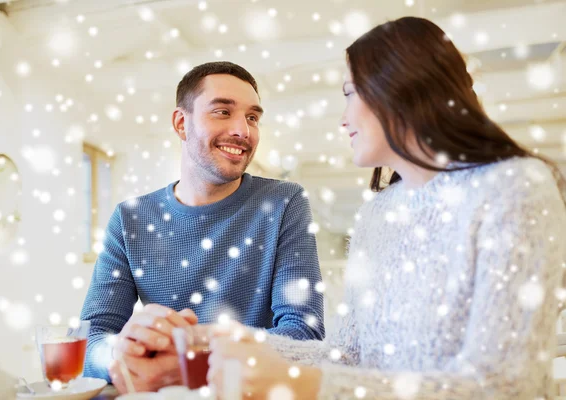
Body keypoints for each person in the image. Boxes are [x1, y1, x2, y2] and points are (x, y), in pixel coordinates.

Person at [208, 17, 566, 399]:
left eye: (350, 93)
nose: (343, 119)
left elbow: (504, 386)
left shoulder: (513, 188)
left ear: (398, 86)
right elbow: (347, 358)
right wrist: (213, 339)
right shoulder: (377, 214)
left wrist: (301, 384)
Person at [80, 61, 325, 393]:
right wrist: (120, 350)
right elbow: (89, 341)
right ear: (182, 123)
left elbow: (304, 336)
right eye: (223, 112)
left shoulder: (284, 202)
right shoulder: (130, 218)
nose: (244, 130)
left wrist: (189, 353)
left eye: (253, 117)